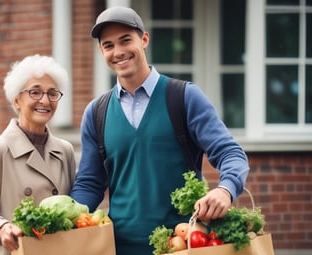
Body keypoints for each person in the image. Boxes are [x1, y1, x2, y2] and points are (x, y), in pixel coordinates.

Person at [70, 6, 249, 255]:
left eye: (125, 40)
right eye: (108, 45)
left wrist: (225, 189)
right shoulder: (96, 112)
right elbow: (90, 184)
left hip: (182, 245)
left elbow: (230, 153)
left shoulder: (183, 97)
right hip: (120, 248)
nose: (118, 52)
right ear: (102, 51)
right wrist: (65, 217)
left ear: (144, 39)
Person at [0, 54, 76, 255]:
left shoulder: (65, 150)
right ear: (16, 100)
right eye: (35, 92)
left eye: (52, 93)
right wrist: (1, 227)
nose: (45, 100)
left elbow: (72, 205)